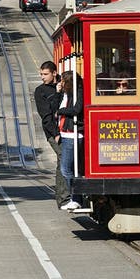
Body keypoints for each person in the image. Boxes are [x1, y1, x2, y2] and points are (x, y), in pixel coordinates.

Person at [34, 60, 69, 208]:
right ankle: (63, 197)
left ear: (54, 73)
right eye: (41, 74)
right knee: (63, 156)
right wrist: (55, 133)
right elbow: (47, 115)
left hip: (68, 128)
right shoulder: (40, 91)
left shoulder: (65, 82)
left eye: (45, 74)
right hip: (53, 131)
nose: (42, 77)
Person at [56, 71, 84, 210]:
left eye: (63, 81)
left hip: (72, 134)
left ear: (69, 82)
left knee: (65, 169)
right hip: (65, 133)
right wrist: (59, 93)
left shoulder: (78, 92)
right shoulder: (66, 93)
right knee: (69, 168)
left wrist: (61, 112)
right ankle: (75, 198)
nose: (60, 83)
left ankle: (76, 198)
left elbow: (76, 110)